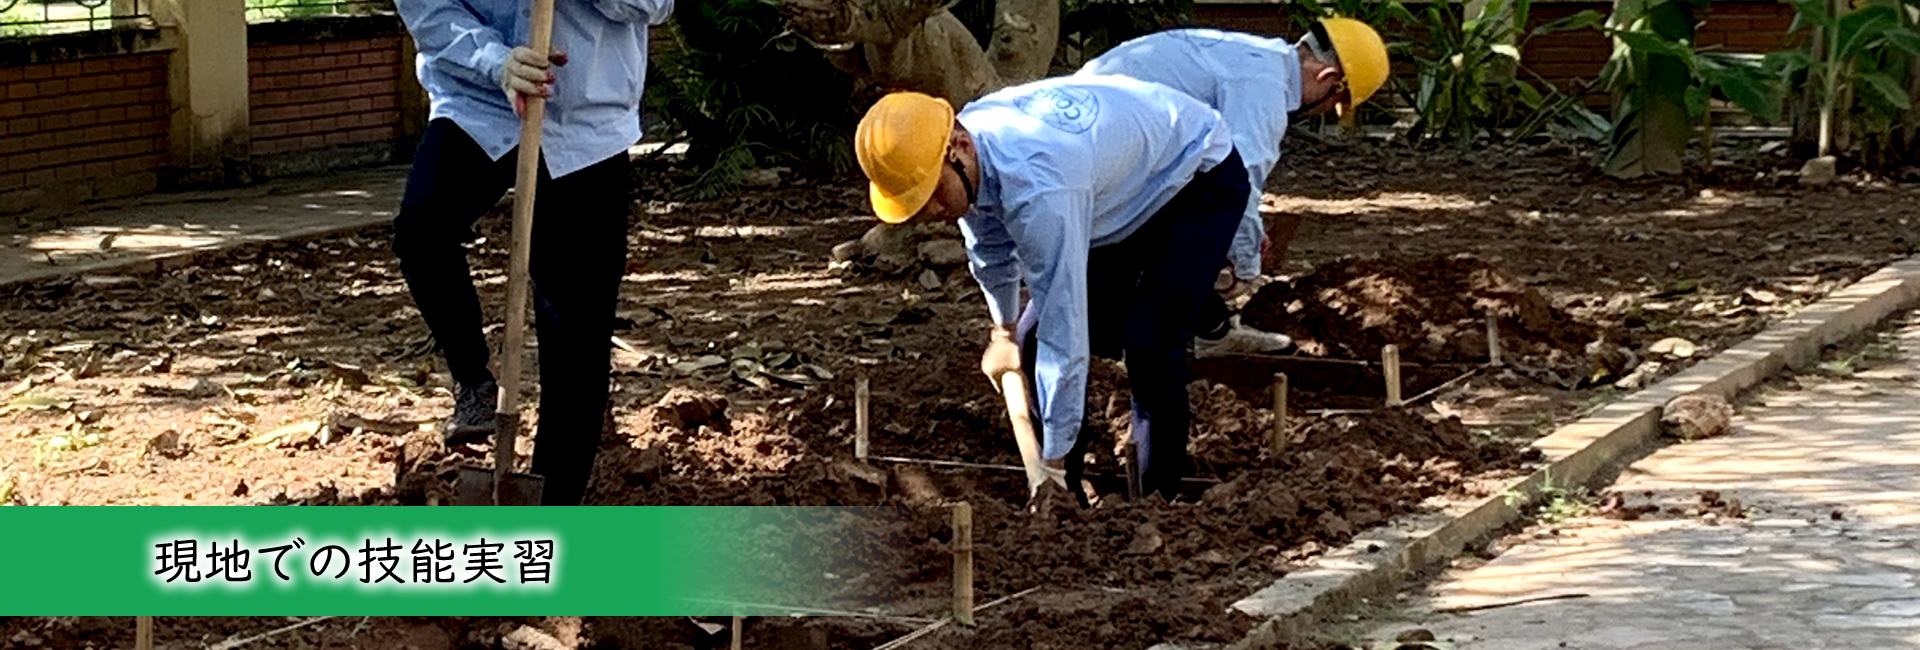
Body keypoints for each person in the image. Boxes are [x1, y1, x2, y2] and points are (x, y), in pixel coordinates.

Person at [853, 76, 1250, 501]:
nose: (932, 211)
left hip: (1196, 176)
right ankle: (1068, 501)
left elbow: (1066, 332)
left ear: (961, 147)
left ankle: (1154, 505)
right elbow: (989, 248)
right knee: (1030, 342)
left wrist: (1053, 465)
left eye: (932, 194)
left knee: (1150, 344)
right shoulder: (962, 157)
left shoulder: (1040, 190)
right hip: (1115, 190)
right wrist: (1003, 332)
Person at [395, 0, 672, 505]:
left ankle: (552, 513)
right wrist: (496, 61)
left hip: (587, 116)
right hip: (480, 99)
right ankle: (475, 382)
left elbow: (655, 6)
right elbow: (429, 7)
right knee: (423, 229)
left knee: (576, 332)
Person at [1080, 19, 1389, 358]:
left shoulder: (1257, 58)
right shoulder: (1265, 90)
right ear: (1327, 78)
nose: (1328, 109)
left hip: (1100, 128)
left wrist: (1242, 233)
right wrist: (1245, 265)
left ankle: (1210, 330)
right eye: (1335, 101)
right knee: (1130, 246)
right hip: (1105, 144)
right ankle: (1106, 355)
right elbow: (1239, 180)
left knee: (1173, 225)